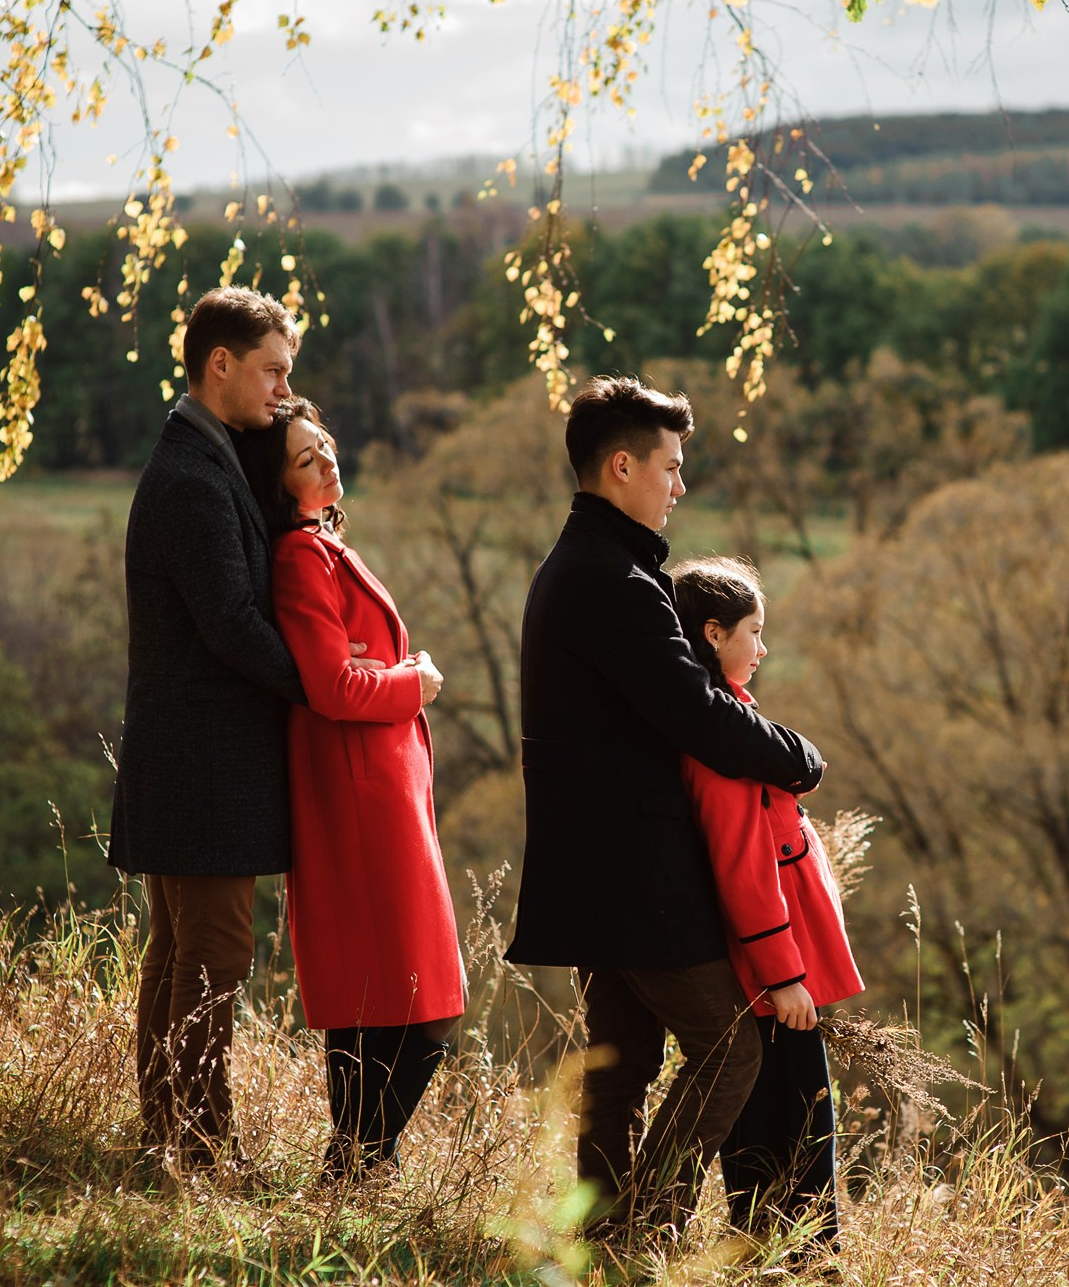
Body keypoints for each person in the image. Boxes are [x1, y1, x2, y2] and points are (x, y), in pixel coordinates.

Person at [504, 376, 827, 1240]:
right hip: (636, 871)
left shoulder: (585, 566)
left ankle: (604, 1233)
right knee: (730, 1051)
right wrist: (797, 757)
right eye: (671, 466)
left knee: (621, 1062)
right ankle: (645, 1222)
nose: (680, 485)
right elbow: (700, 714)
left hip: (596, 866)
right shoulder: (612, 579)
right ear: (621, 466)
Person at [107, 287, 401, 1170]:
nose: (283, 388)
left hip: (193, 755)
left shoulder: (208, 458)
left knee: (180, 947)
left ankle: (168, 1130)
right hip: (203, 762)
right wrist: (325, 681)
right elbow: (233, 622)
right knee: (217, 949)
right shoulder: (192, 479)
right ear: (219, 363)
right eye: (273, 369)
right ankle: (197, 1142)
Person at [235, 398, 466, 1179]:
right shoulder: (301, 556)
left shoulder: (326, 546)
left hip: (381, 788)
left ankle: (361, 1166)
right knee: (419, 1007)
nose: (328, 460)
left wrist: (386, 674)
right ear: (279, 483)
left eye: (326, 445)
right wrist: (413, 681)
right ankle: (361, 1161)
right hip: (359, 793)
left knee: (387, 1004)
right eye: (306, 458)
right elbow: (332, 683)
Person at [673, 557, 863, 1250]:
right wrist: (783, 974)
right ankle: (794, 1259)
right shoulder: (721, 741)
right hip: (768, 983)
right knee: (791, 1128)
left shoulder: (735, 724)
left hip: (777, 975)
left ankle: (787, 1255)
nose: (763, 647)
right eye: (754, 632)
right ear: (714, 633)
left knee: (795, 1122)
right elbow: (743, 868)